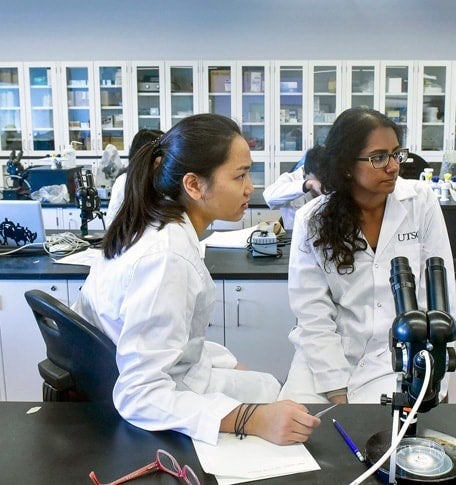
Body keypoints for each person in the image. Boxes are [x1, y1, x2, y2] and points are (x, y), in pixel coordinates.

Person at [72, 114, 320, 445]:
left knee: (267, 387)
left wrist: (229, 363)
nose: (251, 188)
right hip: (149, 405)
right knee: (273, 402)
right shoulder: (166, 258)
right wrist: (251, 419)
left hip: (164, 378)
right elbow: (140, 393)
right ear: (193, 185)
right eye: (240, 175)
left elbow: (177, 340)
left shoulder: (155, 224)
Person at [278, 107, 456, 404]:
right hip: (326, 354)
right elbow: (312, 312)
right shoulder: (313, 219)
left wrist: (430, 372)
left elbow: (438, 296)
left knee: (386, 438)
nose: (393, 167)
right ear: (347, 165)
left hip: (398, 356)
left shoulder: (420, 201)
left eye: (396, 154)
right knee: (296, 439)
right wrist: (336, 390)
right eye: (378, 158)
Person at [104, 129, 164, 227]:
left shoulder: (161, 179)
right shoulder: (124, 182)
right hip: (132, 239)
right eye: (161, 151)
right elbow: (111, 223)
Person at [262, 145, 324, 229]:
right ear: (304, 171)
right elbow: (269, 197)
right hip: (294, 238)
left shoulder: (332, 174)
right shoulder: (290, 179)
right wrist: (307, 185)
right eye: (317, 181)